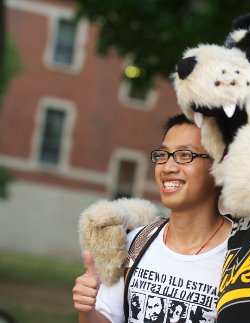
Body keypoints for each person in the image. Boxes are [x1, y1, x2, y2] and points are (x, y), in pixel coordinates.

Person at [72, 114, 232, 323]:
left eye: (185, 155)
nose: (168, 167)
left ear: (218, 165)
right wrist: (88, 310)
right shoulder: (134, 243)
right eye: (163, 155)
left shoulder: (243, 254)